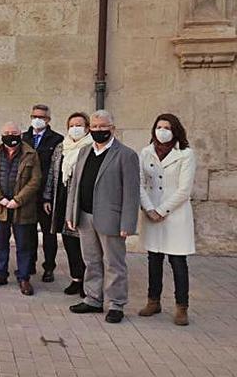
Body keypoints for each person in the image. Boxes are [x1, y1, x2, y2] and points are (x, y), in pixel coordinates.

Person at [66, 110, 140, 324]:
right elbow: (75, 185)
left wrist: (128, 223)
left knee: (114, 264)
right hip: (85, 216)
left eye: (103, 127)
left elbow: (131, 193)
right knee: (91, 261)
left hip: (112, 220)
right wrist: (72, 213)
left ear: (112, 129)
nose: (99, 130)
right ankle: (93, 299)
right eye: (95, 127)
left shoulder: (126, 155)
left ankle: (116, 304)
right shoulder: (84, 152)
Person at [137, 114, 196, 326]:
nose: (162, 131)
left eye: (167, 127)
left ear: (176, 130)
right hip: (151, 212)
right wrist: (149, 208)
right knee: (154, 259)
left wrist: (162, 210)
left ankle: (182, 307)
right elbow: (140, 183)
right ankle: (153, 301)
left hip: (175, 214)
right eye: (159, 127)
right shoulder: (146, 152)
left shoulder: (186, 154)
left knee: (178, 261)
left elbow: (184, 189)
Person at [0, 122, 42, 296]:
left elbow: (35, 180)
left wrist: (18, 200)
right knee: (1, 243)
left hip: (21, 207)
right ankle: (0, 274)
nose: (10, 135)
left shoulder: (31, 153)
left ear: (20, 134)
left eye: (14, 132)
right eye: (7, 132)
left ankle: (24, 278)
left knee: (23, 244)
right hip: (0, 207)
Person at [44, 112, 92, 297]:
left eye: (79, 125)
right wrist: (48, 197)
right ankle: (76, 279)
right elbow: (51, 174)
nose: (75, 128)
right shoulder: (61, 147)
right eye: (72, 125)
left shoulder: (89, 147)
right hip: (62, 200)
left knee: (85, 245)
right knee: (69, 243)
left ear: (87, 127)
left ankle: (88, 283)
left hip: (80, 203)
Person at [22, 104, 64, 282]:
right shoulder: (24, 138)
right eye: (34, 116)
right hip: (27, 195)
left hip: (46, 195)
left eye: (41, 116)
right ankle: (29, 263)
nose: (37, 119)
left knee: (49, 234)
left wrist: (48, 195)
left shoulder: (56, 140)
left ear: (48, 120)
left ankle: (49, 267)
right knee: (28, 232)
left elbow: (55, 170)